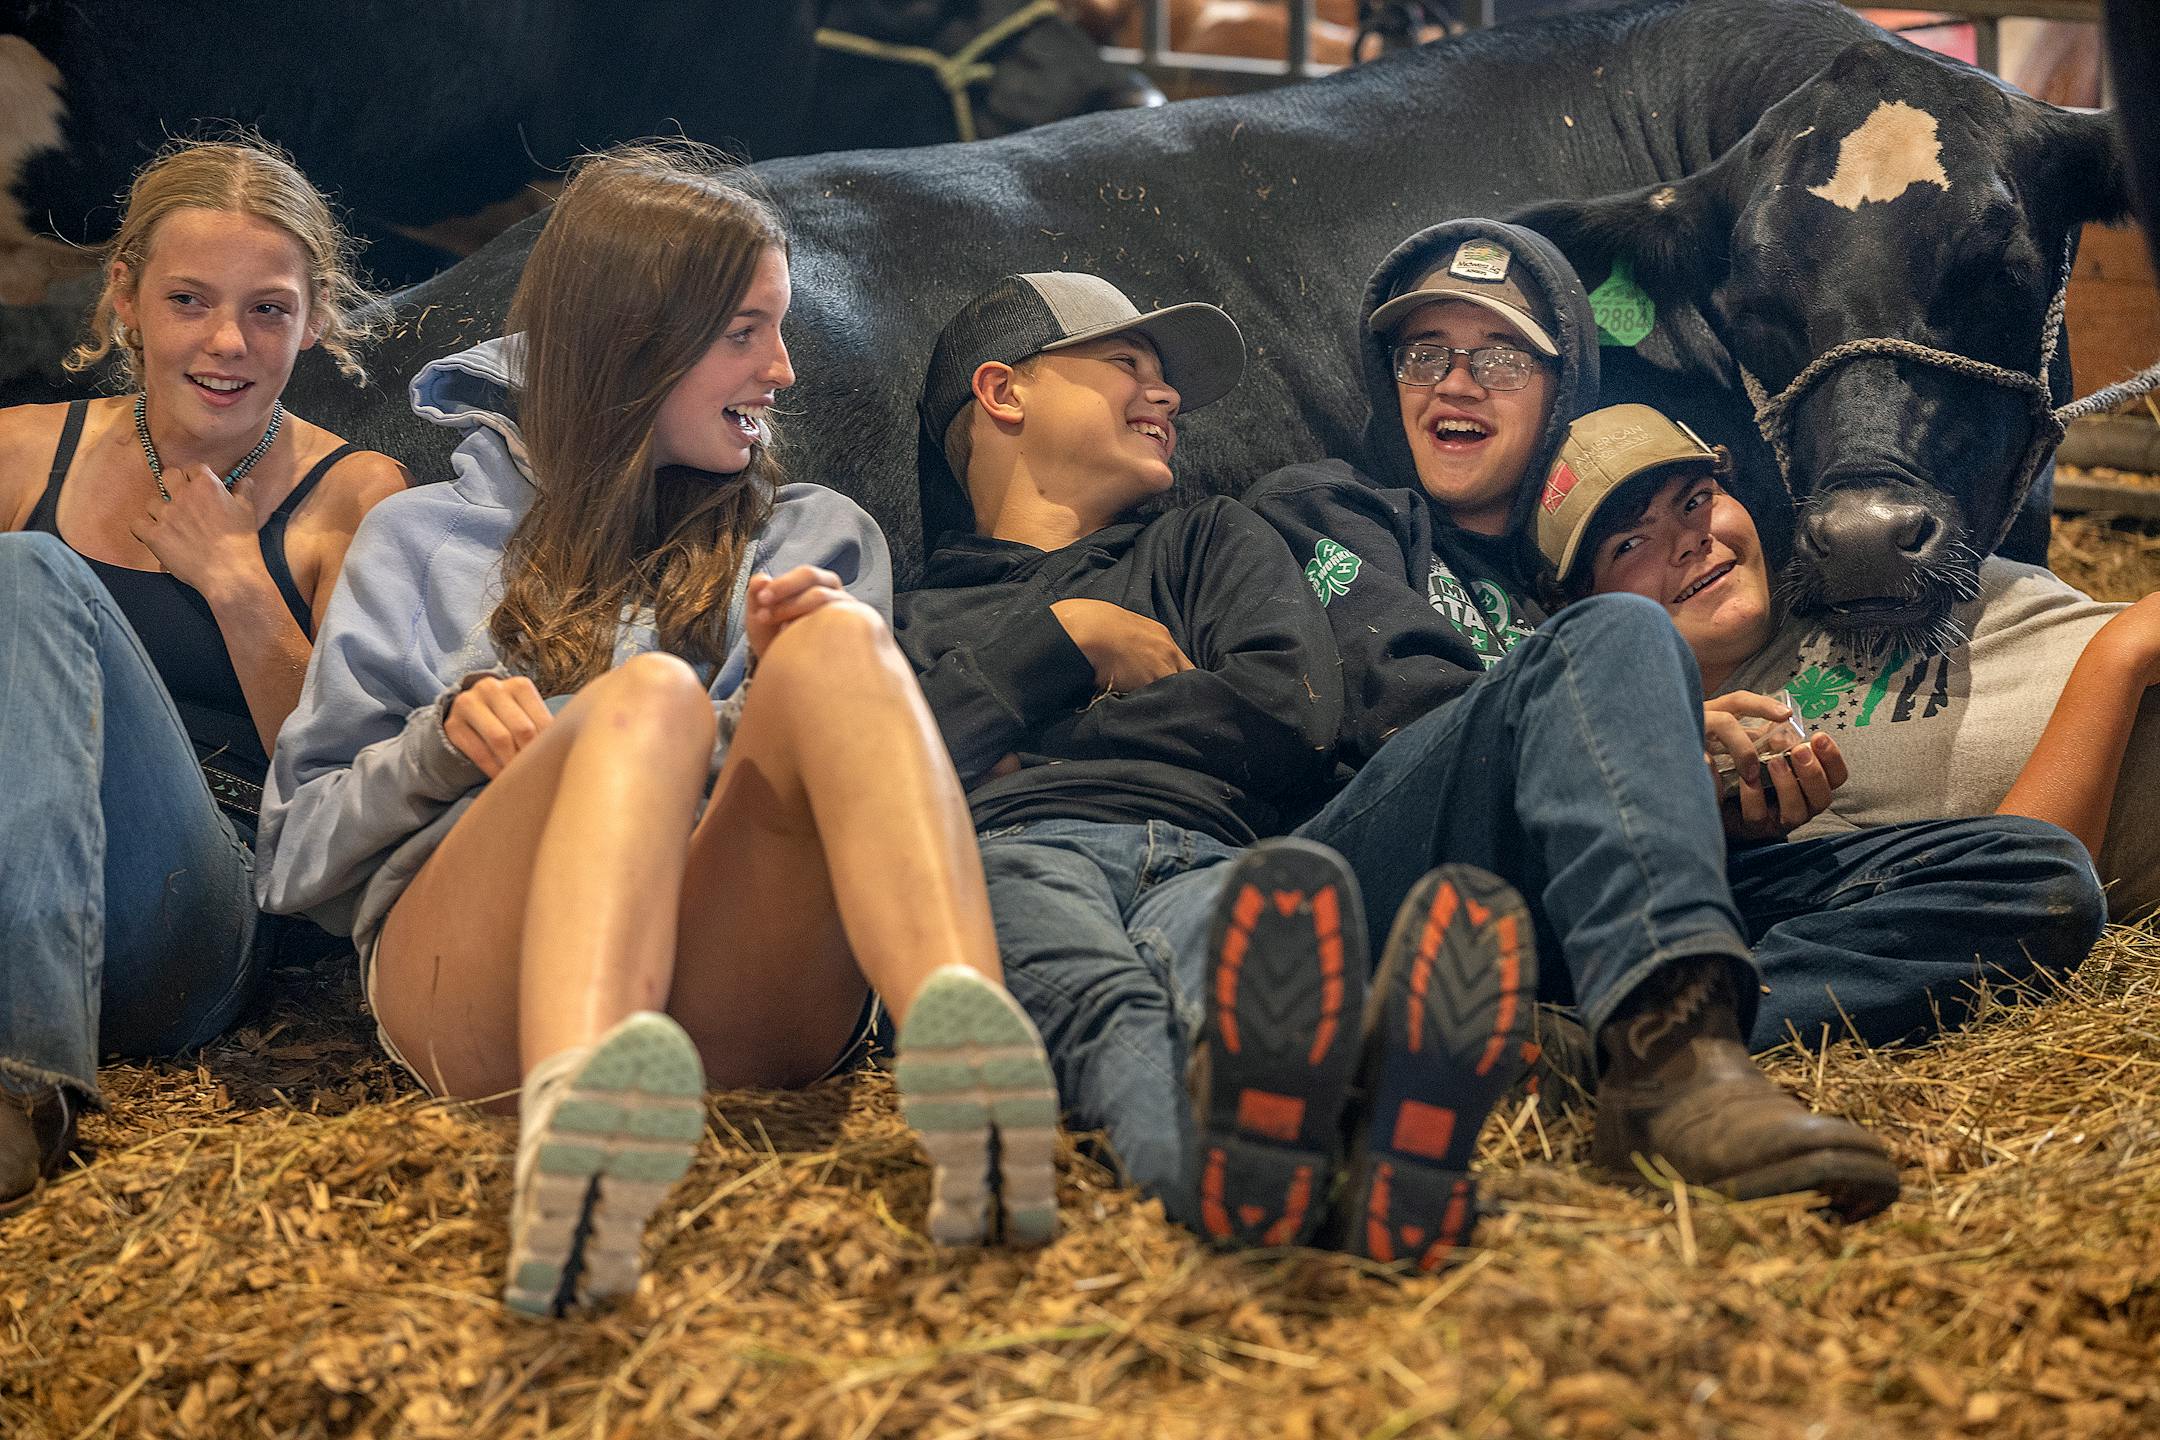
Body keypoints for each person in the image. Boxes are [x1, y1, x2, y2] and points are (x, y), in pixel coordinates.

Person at [255, 144, 1058, 1319]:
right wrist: (440, 744)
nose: (783, 370)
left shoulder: (813, 535)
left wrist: (781, 710)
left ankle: (968, 1046)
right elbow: (293, 861)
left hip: (733, 980)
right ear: (635, 340)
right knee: (651, 699)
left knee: (837, 644)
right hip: (478, 987)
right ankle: (582, 1140)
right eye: (745, 331)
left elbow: (837, 772)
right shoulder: (421, 539)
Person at [1246, 218, 2106, 1213]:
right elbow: (1411, 712)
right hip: (1396, 859)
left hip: (1557, 923)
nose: (1455, 381)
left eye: (1498, 355)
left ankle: (1578, 1045)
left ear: (1561, 381)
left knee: (2037, 877)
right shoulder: (1338, 508)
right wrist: (1664, 738)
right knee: (1622, 641)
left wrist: (1703, 811)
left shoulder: (1580, 587)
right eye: (1423, 354)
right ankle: (1676, 1071)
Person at [895, 271, 1544, 1270]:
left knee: (1246, 995)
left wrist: (1025, 723)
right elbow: (896, 765)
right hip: (1011, 861)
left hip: (1214, 853)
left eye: (1166, 383)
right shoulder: (906, 616)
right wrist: (1076, 642)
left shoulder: (1209, 540)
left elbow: (1289, 713)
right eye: (1127, 366)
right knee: (1108, 1009)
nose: (1167, 398)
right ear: (1003, 393)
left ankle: (1275, 1181)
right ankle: (1352, 1182)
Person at [0, 138, 409, 1214]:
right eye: (189, 299)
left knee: (26, 570)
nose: (227, 342)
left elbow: (356, 792)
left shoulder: (354, 496)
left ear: (315, 317)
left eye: (268, 309)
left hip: (187, 916)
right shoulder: (16, 454)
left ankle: (21, 1089)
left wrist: (237, 583)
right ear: (125, 298)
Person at [1540, 401, 2160, 923]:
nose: (1690, 540)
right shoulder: (1743, 769)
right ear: (1584, 607)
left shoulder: (1850, 570)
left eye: (1696, 499)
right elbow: (2008, 898)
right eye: (1629, 542)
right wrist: (2119, 659)